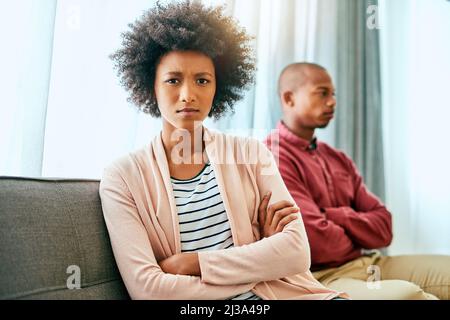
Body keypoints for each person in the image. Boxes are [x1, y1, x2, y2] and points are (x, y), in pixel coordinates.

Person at [99, 2, 347, 300]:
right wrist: (263, 260)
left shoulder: (252, 153)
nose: (188, 94)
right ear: (151, 85)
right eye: (173, 80)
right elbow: (149, 291)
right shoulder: (122, 178)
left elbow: (296, 253)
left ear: (218, 86)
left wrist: (193, 263)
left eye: (202, 80)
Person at [264, 62, 450, 300]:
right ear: (289, 98)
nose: (332, 102)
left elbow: (384, 228)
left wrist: (336, 215)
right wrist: (358, 234)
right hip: (320, 277)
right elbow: (318, 244)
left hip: (369, 262)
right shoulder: (273, 156)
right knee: (410, 296)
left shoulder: (337, 157)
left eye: (333, 94)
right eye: (322, 93)